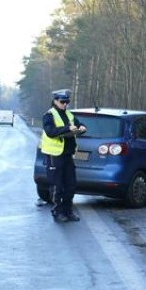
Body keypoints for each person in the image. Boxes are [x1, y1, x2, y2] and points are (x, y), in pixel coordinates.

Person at [41, 89, 87, 222]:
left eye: (67, 102)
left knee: (71, 185)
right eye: (62, 102)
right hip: (55, 155)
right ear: (55, 101)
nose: (65, 104)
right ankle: (57, 212)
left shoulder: (69, 114)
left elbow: (79, 124)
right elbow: (50, 132)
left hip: (68, 154)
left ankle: (68, 211)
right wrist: (67, 128)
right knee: (57, 185)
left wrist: (82, 128)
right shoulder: (49, 115)